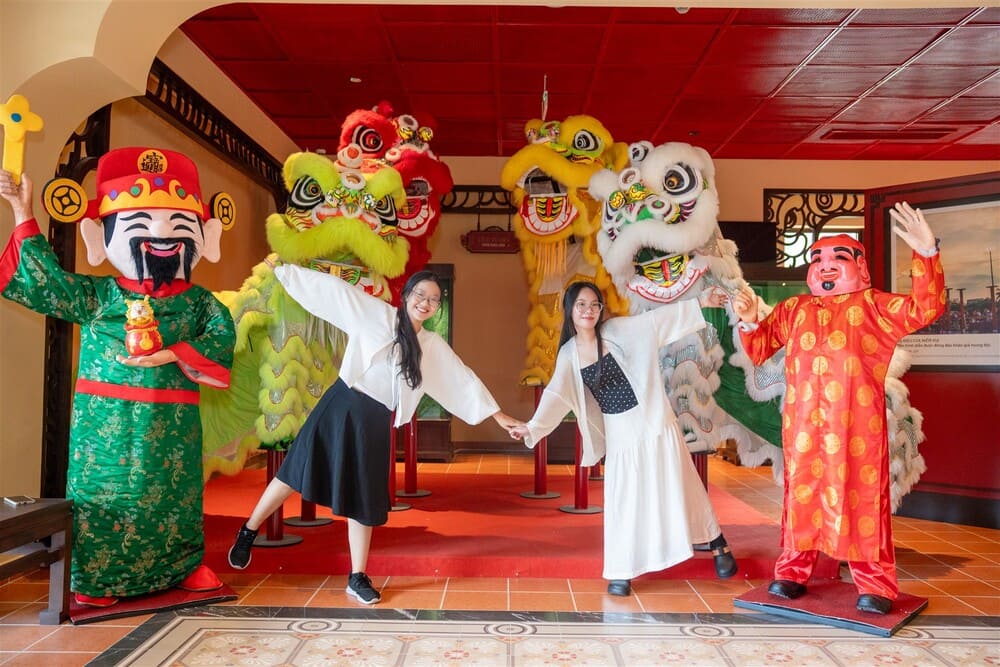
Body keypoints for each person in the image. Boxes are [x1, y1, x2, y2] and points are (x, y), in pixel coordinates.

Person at [0, 148, 235, 608]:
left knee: (176, 497)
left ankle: (182, 566)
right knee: (103, 495)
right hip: (103, 428)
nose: (162, 234)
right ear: (100, 236)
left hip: (174, 428)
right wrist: (21, 210)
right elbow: (42, 280)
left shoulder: (202, 303)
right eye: (142, 221)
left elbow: (222, 339)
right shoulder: (97, 295)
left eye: (177, 222)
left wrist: (171, 352)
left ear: (205, 237)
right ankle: (96, 579)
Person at [227, 264, 521, 604]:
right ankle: (248, 530)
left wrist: (498, 416)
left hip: (376, 420)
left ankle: (357, 576)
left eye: (434, 300)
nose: (425, 303)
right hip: (341, 404)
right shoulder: (374, 314)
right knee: (295, 471)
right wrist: (285, 272)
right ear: (407, 295)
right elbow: (334, 292)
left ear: (437, 308)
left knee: (363, 496)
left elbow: (461, 380)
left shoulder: (431, 344)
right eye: (420, 295)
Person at [732, 201, 945, 615]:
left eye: (838, 257)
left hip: (858, 433)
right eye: (818, 258)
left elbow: (925, 308)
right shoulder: (794, 310)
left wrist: (927, 252)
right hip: (803, 432)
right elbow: (759, 349)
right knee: (802, 499)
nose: (826, 265)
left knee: (863, 499)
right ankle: (792, 573)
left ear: (861, 267)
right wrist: (746, 320)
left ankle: (875, 583)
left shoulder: (875, 307)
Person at [509, 281, 738, 596]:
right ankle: (621, 571)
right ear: (570, 311)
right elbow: (555, 396)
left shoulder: (619, 330)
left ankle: (717, 545)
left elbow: (658, 322)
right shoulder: (570, 354)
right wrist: (532, 427)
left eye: (594, 304)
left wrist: (700, 301)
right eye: (581, 305)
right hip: (620, 433)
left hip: (656, 422)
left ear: (601, 309)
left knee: (681, 487)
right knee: (623, 502)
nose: (589, 310)